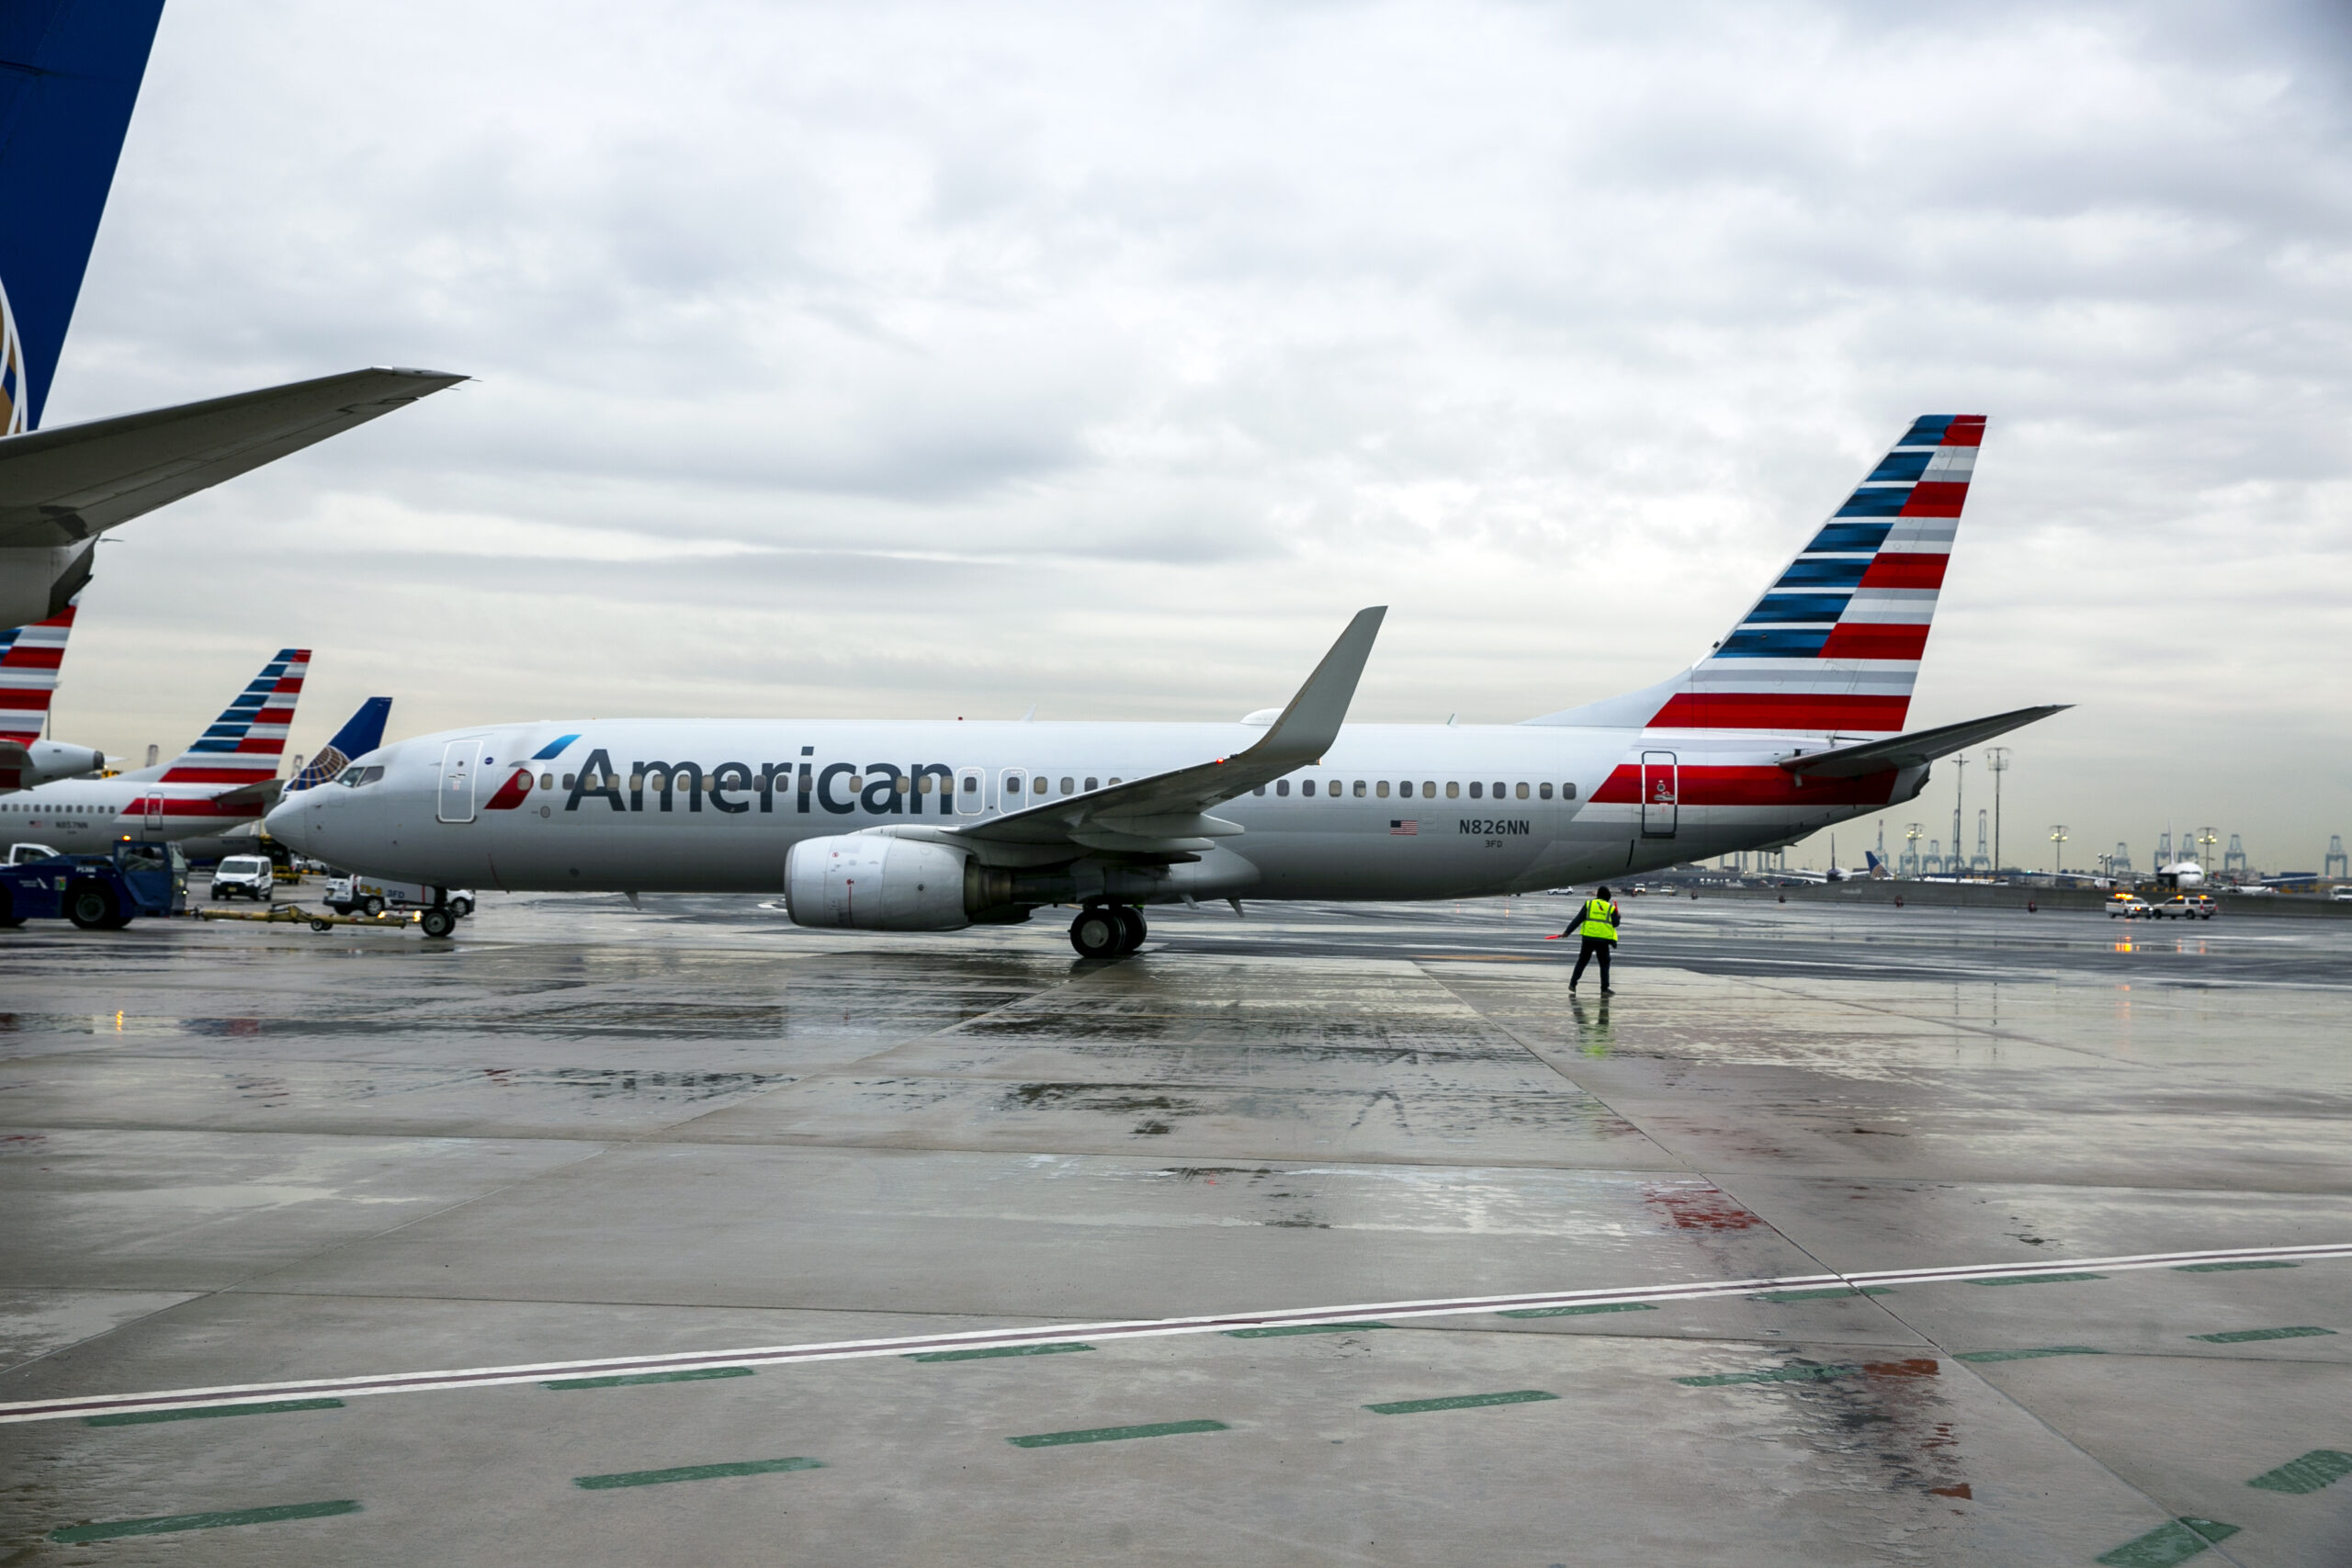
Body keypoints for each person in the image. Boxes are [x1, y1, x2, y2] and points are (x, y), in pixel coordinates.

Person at [1560, 885, 1619, 993]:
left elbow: (1578, 919)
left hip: (1588, 938)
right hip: (1602, 940)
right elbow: (1615, 924)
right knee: (1604, 964)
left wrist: (1567, 932)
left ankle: (1573, 984)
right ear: (1607, 896)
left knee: (1582, 961)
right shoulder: (1610, 908)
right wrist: (1618, 916)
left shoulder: (1589, 904)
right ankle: (1604, 988)